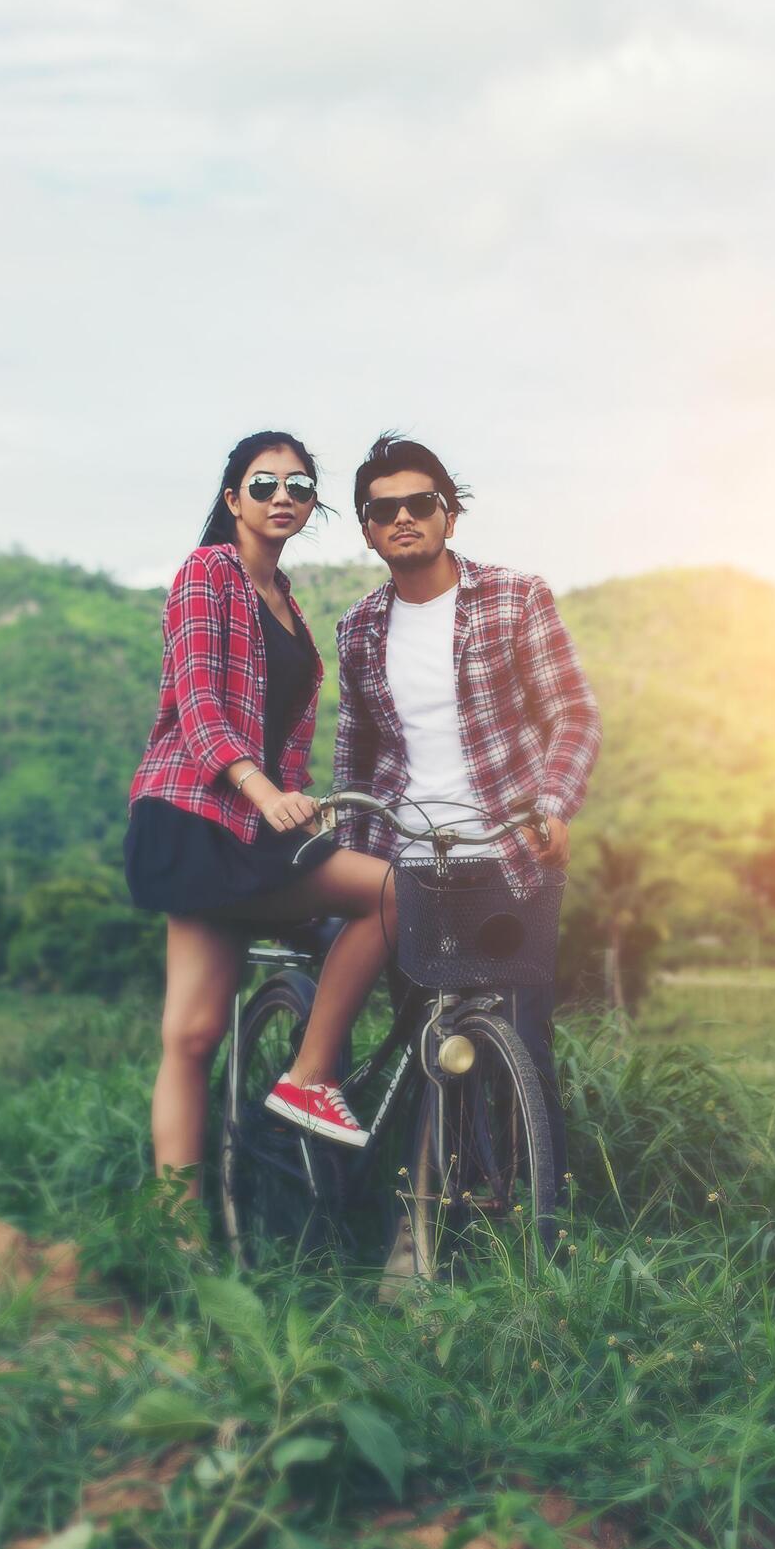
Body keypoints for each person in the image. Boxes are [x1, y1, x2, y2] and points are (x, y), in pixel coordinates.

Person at [270, 431, 601, 1177]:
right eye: (383, 510)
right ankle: (413, 1232)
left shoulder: (516, 598)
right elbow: (357, 756)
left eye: (421, 503)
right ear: (366, 530)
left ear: (450, 515)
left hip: (510, 857)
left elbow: (574, 714)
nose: (403, 518)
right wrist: (350, 863)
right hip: (405, 866)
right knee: (424, 1049)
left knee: (522, 1045)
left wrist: (554, 802)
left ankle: (530, 1235)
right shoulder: (358, 628)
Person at [125, 430, 402, 1204]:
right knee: (191, 1035)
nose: (283, 496)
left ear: (311, 506)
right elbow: (200, 707)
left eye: (300, 486)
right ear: (232, 498)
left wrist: (297, 805)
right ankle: (178, 1240)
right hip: (195, 816)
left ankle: (306, 1082)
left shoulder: (288, 608)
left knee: (195, 1031)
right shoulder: (206, 573)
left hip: (254, 830)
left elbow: (288, 747)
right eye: (264, 483)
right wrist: (262, 790)